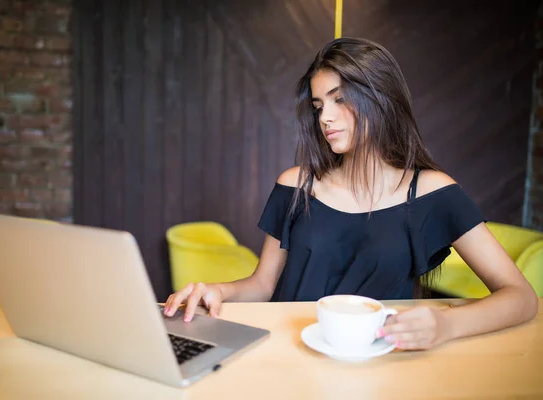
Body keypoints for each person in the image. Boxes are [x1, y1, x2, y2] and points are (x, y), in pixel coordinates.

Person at [163, 37, 538, 350]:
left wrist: (446, 326)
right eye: (318, 105)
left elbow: (520, 297)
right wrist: (217, 291)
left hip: (377, 366)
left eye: (339, 99)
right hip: (284, 353)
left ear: (379, 96)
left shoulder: (432, 192)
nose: (325, 116)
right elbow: (263, 285)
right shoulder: (296, 184)